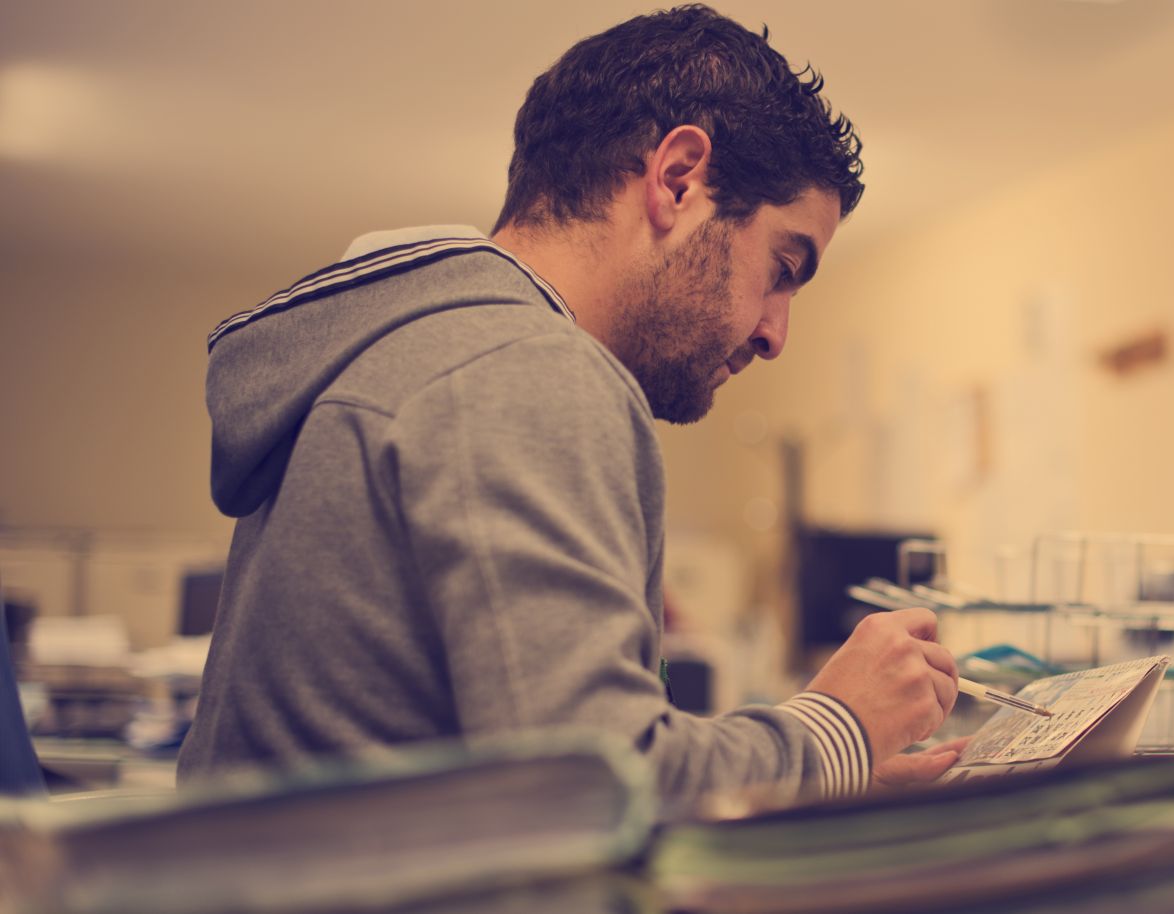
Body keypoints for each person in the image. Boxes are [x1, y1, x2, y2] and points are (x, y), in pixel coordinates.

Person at [178, 5, 961, 810]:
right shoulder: (523, 367)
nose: (775, 335)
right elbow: (589, 788)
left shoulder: (420, 356)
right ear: (680, 179)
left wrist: (822, 773)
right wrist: (837, 727)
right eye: (782, 266)